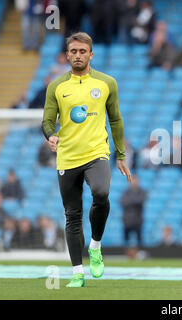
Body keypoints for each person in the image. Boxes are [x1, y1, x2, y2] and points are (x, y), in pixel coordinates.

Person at [41, 32, 132, 288]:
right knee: (72, 215)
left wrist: (121, 155)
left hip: (96, 153)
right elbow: (47, 121)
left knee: (101, 194)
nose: (78, 55)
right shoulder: (56, 87)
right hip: (67, 157)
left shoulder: (106, 83)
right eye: (74, 51)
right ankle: (78, 273)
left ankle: (95, 245)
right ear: (67, 55)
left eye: (83, 52)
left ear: (91, 55)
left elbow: (115, 119)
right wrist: (51, 135)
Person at [120, 176, 146, 258]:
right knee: (126, 239)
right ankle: (126, 254)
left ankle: (139, 254)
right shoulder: (126, 192)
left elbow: (140, 200)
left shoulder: (142, 191)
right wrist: (134, 201)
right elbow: (123, 202)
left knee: (139, 239)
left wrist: (130, 201)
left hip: (137, 220)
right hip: (127, 220)